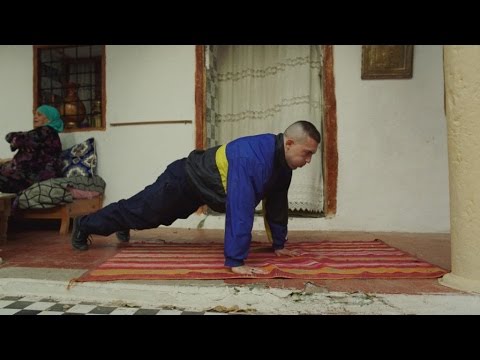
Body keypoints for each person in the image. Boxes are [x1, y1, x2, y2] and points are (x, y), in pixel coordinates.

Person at [71, 120, 321, 275]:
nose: (308, 161)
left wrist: (279, 245)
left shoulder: (283, 167)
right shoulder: (252, 157)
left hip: (204, 188)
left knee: (147, 217)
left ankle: (123, 223)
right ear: (288, 143)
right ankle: (83, 225)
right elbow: (240, 208)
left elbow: (276, 207)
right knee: (142, 212)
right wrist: (235, 260)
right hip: (184, 179)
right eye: (306, 153)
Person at [0, 105, 64, 194]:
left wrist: (15, 137)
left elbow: (13, 138)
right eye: (35, 114)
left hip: (36, 179)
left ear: (49, 118)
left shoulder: (46, 131)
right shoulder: (47, 133)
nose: (35, 117)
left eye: (39, 114)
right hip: (32, 176)